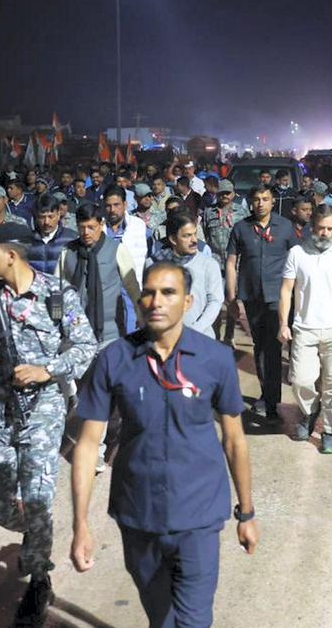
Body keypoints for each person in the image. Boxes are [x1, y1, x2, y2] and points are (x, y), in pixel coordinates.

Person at [71, 261, 259, 626]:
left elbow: (234, 441)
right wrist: (81, 523)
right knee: (161, 619)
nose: (156, 301)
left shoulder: (215, 359)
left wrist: (246, 514)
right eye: (148, 292)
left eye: (168, 292)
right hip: (138, 516)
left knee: (192, 622)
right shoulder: (115, 359)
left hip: (199, 518)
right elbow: (87, 444)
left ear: (188, 302)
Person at [0, 223, 97, 626]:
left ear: (10, 255)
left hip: (44, 414)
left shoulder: (56, 294)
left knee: (36, 495)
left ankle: (39, 579)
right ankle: (36, 529)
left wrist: (47, 370)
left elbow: (86, 347)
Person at [279, 205, 332, 454]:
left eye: (330, 229)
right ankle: (310, 413)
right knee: (300, 379)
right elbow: (286, 290)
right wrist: (283, 323)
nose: (325, 233)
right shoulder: (296, 253)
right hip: (305, 328)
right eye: (320, 228)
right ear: (312, 227)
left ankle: (330, 431)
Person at [226, 186, 299, 422]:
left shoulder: (286, 227)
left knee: (274, 346)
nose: (260, 203)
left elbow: (297, 260)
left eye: (265, 199)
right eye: (256, 199)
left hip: (278, 297)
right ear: (250, 201)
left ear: (272, 201)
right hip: (252, 296)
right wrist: (232, 297)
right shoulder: (241, 228)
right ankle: (266, 393)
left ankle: (271, 401)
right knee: (260, 346)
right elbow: (231, 262)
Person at [57, 203, 142, 349]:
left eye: (91, 227)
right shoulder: (67, 251)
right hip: (76, 331)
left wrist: (141, 314)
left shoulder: (117, 249)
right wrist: (56, 319)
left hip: (110, 331)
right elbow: (58, 290)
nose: (86, 232)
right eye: (82, 227)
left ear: (101, 224)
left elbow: (132, 287)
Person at [148, 213, 223, 338]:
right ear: (173, 239)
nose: (194, 240)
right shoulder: (153, 264)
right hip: (163, 339)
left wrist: (195, 329)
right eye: (187, 236)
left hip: (200, 338)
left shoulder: (209, 264)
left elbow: (215, 301)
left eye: (194, 234)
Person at [104, 185, 153, 281]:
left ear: (125, 204)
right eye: (108, 206)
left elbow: (149, 257)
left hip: (133, 288)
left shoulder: (138, 226)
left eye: (116, 205)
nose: (112, 210)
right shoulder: (99, 228)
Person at [27, 193, 78, 275]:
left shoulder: (71, 238)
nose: (46, 222)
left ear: (58, 215)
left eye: (51, 217)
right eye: (42, 217)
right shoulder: (27, 241)